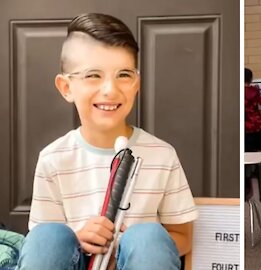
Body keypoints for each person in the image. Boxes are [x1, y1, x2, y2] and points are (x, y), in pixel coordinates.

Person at [16, 13, 198, 270]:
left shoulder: (162, 155)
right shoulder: (52, 158)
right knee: (48, 237)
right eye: (93, 75)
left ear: (136, 83)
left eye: (124, 74)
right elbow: (44, 248)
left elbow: (184, 237)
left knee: (147, 237)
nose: (110, 90)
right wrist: (79, 239)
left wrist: (132, 246)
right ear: (66, 87)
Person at [244, 68, 261, 152]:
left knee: (247, 150)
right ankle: (259, 165)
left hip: (246, 125)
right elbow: (260, 102)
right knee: (259, 149)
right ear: (251, 78)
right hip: (257, 123)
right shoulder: (255, 90)